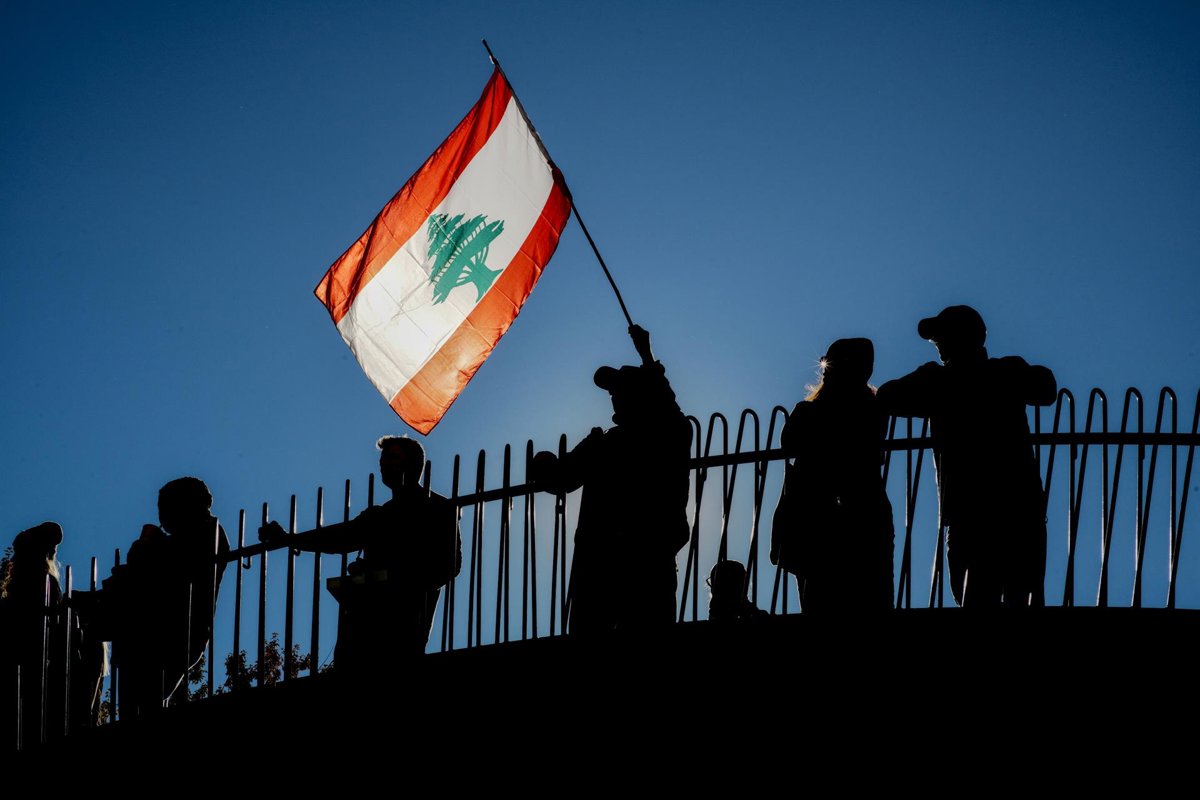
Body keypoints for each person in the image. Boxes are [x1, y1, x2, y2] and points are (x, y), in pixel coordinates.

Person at [876, 305, 1056, 607]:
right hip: (1017, 506)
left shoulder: (942, 382)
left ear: (962, 338)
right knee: (1017, 599)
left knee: (979, 600)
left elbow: (887, 396)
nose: (938, 344)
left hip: (975, 510)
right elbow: (1046, 386)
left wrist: (934, 378)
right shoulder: (1002, 373)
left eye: (941, 337)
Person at [532, 325, 692, 635]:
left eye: (619, 390)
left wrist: (648, 358)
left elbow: (558, 478)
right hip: (640, 562)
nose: (613, 396)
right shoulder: (664, 436)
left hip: (612, 566)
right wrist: (646, 356)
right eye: (613, 391)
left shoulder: (619, 442)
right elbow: (559, 479)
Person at [259, 436, 461, 667]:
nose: (384, 465)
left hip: (405, 621)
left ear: (414, 464)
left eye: (392, 458)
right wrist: (290, 539)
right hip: (362, 621)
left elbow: (449, 565)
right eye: (382, 460)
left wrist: (393, 577)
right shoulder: (379, 515)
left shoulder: (439, 508)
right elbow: (339, 538)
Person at [772, 338, 894, 612]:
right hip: (853, 515)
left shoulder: (819, 412)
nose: (826, 370)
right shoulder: (872, 411)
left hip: (823, 517)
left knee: (824, 605)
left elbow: (789, 444)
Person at [107, 477, 230, 716]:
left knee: (146, 696)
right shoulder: (188, 536)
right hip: (153, 630)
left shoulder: (206, 532)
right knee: (139, 700)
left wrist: (146, 550)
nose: (162, 518)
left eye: (166, 508)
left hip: (173, 630)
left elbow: (176, 567)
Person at [1, 522, 105, 744]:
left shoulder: (41, 584)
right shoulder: (40, 585)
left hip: (42, 668)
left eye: (19, 553)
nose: (14, 559)